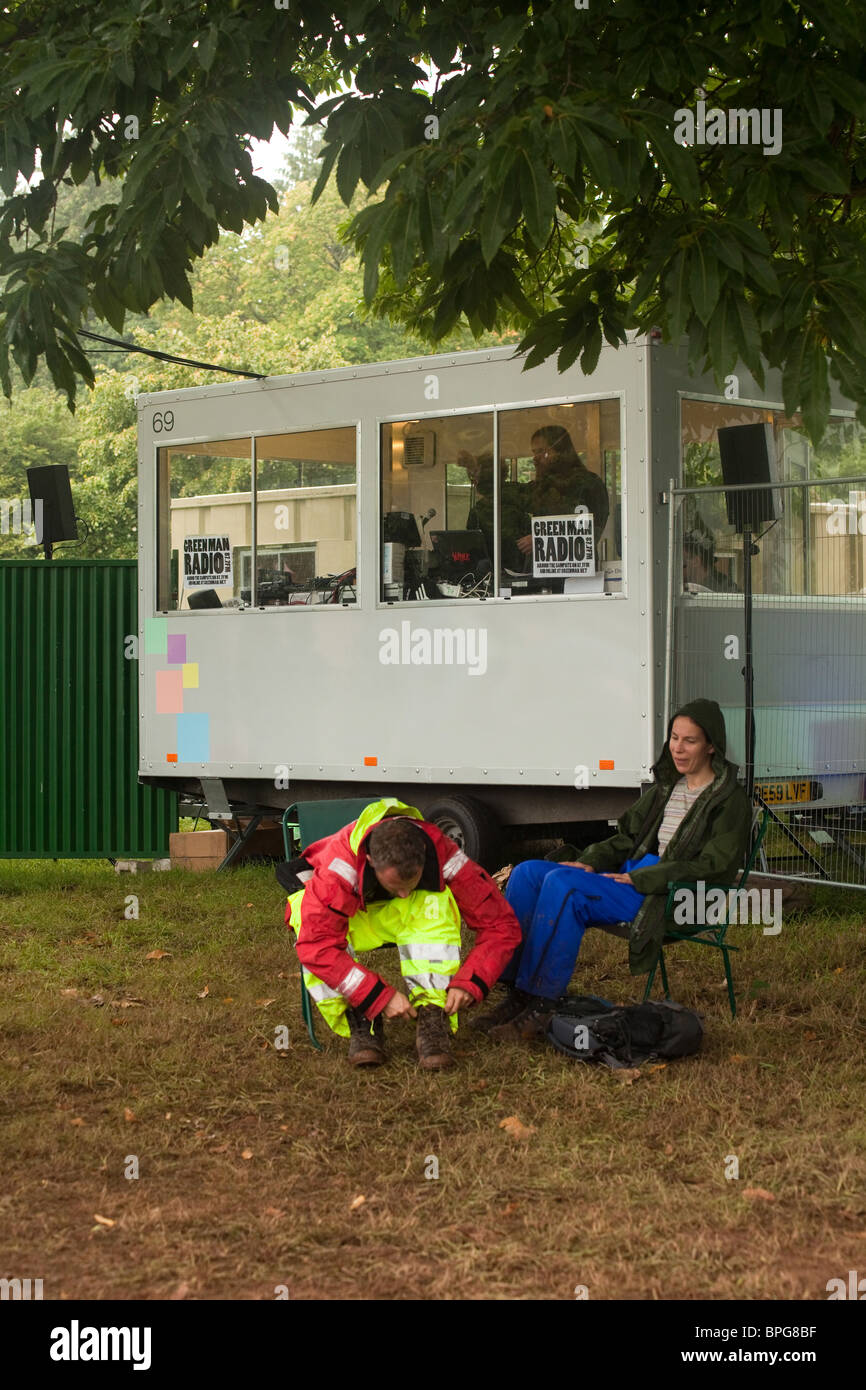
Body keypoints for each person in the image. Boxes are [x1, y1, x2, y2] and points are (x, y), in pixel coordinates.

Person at [472, 699, 753, 1041]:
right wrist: (591, 859)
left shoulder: (728, 800)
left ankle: (542, 1005)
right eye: (674, 738)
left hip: (676, 895)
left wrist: (645, 877)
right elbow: (627, 839)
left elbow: (715, 866)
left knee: (565, 886)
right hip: (637, 877)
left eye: (689, 741)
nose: (677, 748)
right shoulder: (668, 788)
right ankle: (517, 994)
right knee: (529, 872)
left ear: (711, 745)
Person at [282, 798, 521, 1069]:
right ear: (370, 861)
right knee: (304, 916)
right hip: (348, 919)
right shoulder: (339, 867)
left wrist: (471, 982)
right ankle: (361, 1017)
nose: (405, 892)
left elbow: (501, 924)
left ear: (422, 851)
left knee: (436, 903)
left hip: (402, 918)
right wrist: (375, 996)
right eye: (397, 884)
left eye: (412, 881)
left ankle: (433, 1014)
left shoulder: (441, 851)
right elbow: (317, 946)